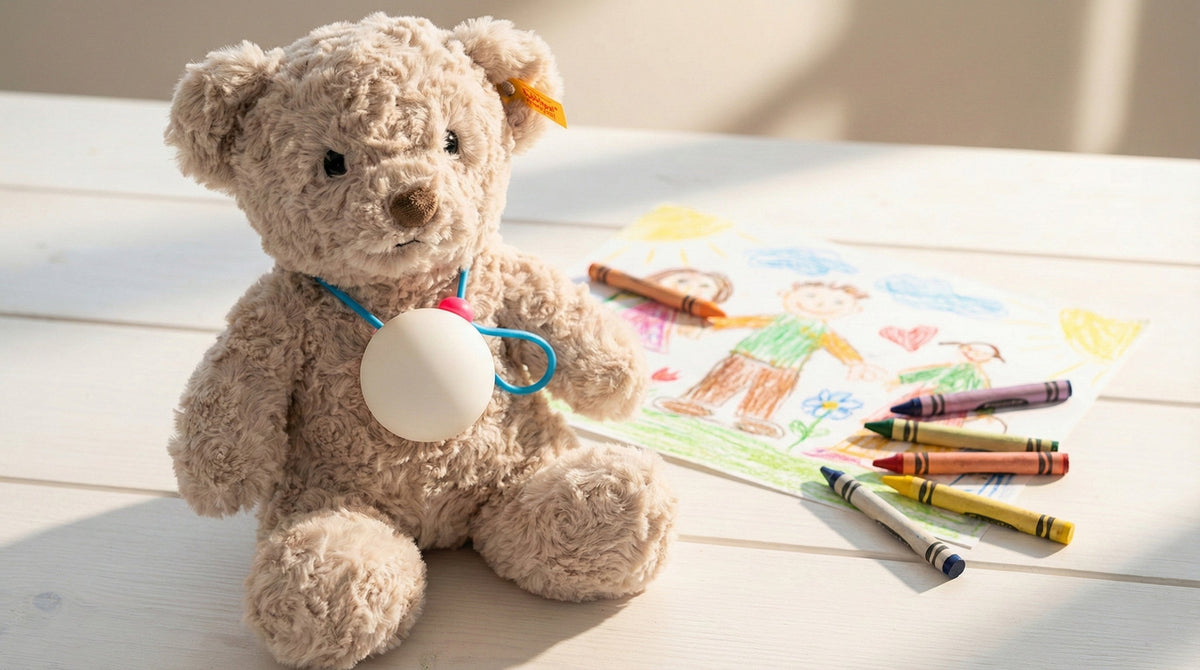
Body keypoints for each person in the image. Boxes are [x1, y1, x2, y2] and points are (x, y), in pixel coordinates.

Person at [656, 281, 884, 438]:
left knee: (768, 394)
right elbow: (744, 321)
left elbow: (839, 347)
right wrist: (714, 324)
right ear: (786, 294)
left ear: (854, 309)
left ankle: (755, 419)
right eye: (811, 296)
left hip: (784, 369)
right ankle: (696, 403)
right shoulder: (776, 319)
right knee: (721, 381)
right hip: (747, 357)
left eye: (837, 303)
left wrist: (856, 363)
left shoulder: (822, 331)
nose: (820, 304)